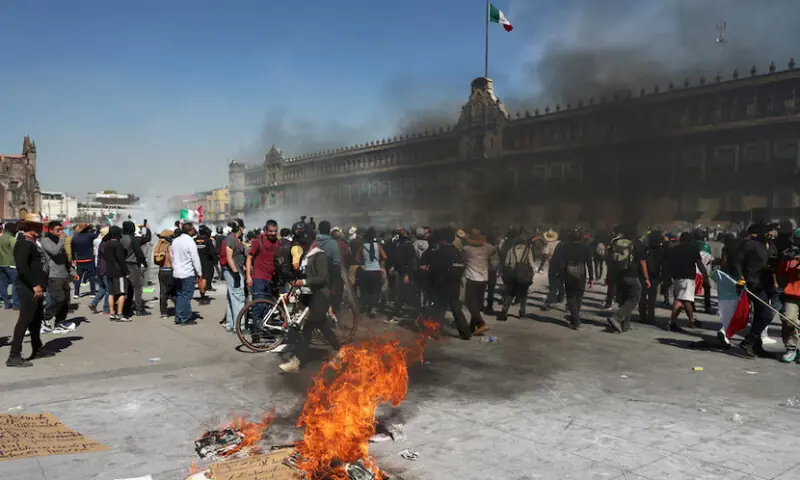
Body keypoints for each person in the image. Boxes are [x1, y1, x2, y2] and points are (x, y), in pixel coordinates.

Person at [279, 227, 341, 373]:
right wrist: (296, 285)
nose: (304, 246)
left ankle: (296, 362)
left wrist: (304, 282)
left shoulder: (320, 256)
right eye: (302, 243)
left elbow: (322, 277)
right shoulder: (308, 256)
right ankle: (339, 351)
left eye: (306, 244)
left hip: (320, 296)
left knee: (308, 329)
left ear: (313, 242)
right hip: (310, 296)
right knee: (322, 327)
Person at [6, 214, 48, 367]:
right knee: (24, 320)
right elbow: (23, 268)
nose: (40, 229)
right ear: (28, 227)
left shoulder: (33, 242)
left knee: (36, 319)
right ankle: (14, 355)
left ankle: (37, 348)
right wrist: (35, 285)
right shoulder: (24, 243)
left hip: (36, 287)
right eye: (36, 226)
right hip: (28, 287)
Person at [425, 227, 471, 339]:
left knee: (439, 309)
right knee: (456, 308)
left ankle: (436, 332)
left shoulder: (439, 253)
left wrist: (431, 284)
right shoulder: (457, 252)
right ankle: (465, 332)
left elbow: (434, 270)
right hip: (455, 284)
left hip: (442, 284)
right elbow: (462, 267)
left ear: (443, 240)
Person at [608, 224, 649, 333]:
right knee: (634, 298)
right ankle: (617, 317)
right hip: (632, 274)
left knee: (625, 299)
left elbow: (610, 259)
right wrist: (646, 278)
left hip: (618, 274)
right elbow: (642, 262)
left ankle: (625, 324)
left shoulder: (615, 242)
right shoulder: (637, 243)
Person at [666, 232, 710, 331]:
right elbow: (699, 264)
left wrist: (668, 277)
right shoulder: (693, 249)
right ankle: (683, 321)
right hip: (688, 278)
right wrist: (705, 275)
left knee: (682, 299)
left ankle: (687, 320)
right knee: (683, 300)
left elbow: (669, 264)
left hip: (677, 277)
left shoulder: (674, 249)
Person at [40, 220, 78, 331]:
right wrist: (62, 240)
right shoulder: (46, 241)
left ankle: (60, 322)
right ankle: (44, 319)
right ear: (51, 230)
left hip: (64, 275)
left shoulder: (60, 241)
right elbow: (54, 252)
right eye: (58, 230)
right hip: (54, 275)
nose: (60, 232)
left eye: (61, 229)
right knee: (58, 299)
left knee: (66, 301)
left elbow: (65, 259)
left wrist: (72, 272)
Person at [246, 220, 280, 343]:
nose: (273, 233)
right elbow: (249, 258)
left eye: (275, 231)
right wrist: (248, 276)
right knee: (258, 306)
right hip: (259, 278)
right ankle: (256, 332)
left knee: (269, 307)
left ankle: (267, 331)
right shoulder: (258, 242)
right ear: (265, 231)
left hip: (271, 279)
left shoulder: (278, 243)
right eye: (270, 231)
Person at [554, 228, 594, 330]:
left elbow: (560, 262)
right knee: (579, 297)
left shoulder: (565, 248)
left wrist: (561, 274)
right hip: (581, 275)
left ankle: (575, 319)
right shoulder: (585, 248)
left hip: (569, 274)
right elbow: (589, 264)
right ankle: (575, 317)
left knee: (571, 297)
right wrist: (591, 278)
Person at [497, 231, 536, 321]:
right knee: (524, 294)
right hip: (524, 275)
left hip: (513, 274)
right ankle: (522, 312)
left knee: (510, 293)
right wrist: (532, 274)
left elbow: (507, 263)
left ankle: (504, 310)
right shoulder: (528, 250)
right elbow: (531, 263)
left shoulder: (512, 249)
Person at [462, 228, 495, 335]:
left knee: (470, 302)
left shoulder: (467, 249)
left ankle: (481, 323)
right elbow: (494, 249)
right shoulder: (488, 248)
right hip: (484, 278)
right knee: (477, 303)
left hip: (472, 278)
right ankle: (473, 327)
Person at [171, 222, 202, 325]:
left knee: (180, 295)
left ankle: (178, 316)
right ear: (189, 230)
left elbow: (172, 256)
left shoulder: (176, 241)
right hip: (187, 273)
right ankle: (185, 317)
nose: (194, 231)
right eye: (193, 229)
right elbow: (195, 259)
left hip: (177, 272)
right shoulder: (190, 242)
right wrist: (199, 272)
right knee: (186, 296)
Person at [356, 227, 387, 318]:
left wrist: (363, 261)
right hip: (376, 271)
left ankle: (368, 307)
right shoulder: (378, 246)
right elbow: (385, 257)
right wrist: (381, 264)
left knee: (367, 290)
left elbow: (357, 259)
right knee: (376, 290)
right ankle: (373, 308)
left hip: (366, 271)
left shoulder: (362, 246)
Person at [120, 221, 149, 317]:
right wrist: (147, 228)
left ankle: (124, 308)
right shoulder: (133, 239)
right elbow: (140, 252)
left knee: (126, 288)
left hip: (121, 266)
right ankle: (139, 309)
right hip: (132, 265)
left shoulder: (119, 238)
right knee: (137, 287)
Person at [222, 219, 246, 332]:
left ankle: (230, 324)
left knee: (232, 298)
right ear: (240, 228)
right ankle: (239, 326)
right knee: (238, 298)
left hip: (233, 271)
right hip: (233, 272)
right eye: (243, 227)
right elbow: (229, 256)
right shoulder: (231, 238)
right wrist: (236, 273)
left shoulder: (235, 238)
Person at [104, 226, 129, 322]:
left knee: (111, 293)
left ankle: (112, 313)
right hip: (118, 272)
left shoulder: (107, 244)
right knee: (122, 293)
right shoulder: (118, 245)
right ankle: (119, 314)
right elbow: (121, 260)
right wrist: (126, 272)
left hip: (109, 271)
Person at [70, 224, 98, 299]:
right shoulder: (90, 236)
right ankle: (92, 292)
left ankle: (76, 293)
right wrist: (94, 229)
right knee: (92, 276)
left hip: (79, 260)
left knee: (78, 277)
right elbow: (98, 235)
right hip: (89, 259)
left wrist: (73, 259)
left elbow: (72, 250)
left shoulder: (74, 238)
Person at [88, 227, 111, 315]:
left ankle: (93, 303)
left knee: (102, 288)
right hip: (105, 268)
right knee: (109, 289)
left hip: (99, 268)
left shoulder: (99, 241)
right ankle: (106, 308)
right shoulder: (105, 243)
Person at [154, 229, 175, 319]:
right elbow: (171, 259)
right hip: (170, 270)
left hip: (162, 271)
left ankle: (164, 313)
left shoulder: (158, 247)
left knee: (163, 292)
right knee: (174, 292)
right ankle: (178, 310)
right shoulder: (169, 247)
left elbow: (156, 261)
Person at [195, 225, 217, 305]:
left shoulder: (194, 240)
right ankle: (203, 295)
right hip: (206, 262)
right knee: (204, 278)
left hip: (196, 261)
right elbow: (212, 252)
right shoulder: (208, 240)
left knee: (199, 278)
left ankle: (201, 294)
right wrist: (215, 261)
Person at [0, 221, 19, 310]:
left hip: (1, 264)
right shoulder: (11, 239)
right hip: (11, 264)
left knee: (2, 284)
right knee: (16, 283)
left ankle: (7, 303)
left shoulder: (0, 238)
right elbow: (16, 251)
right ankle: (16, 304)